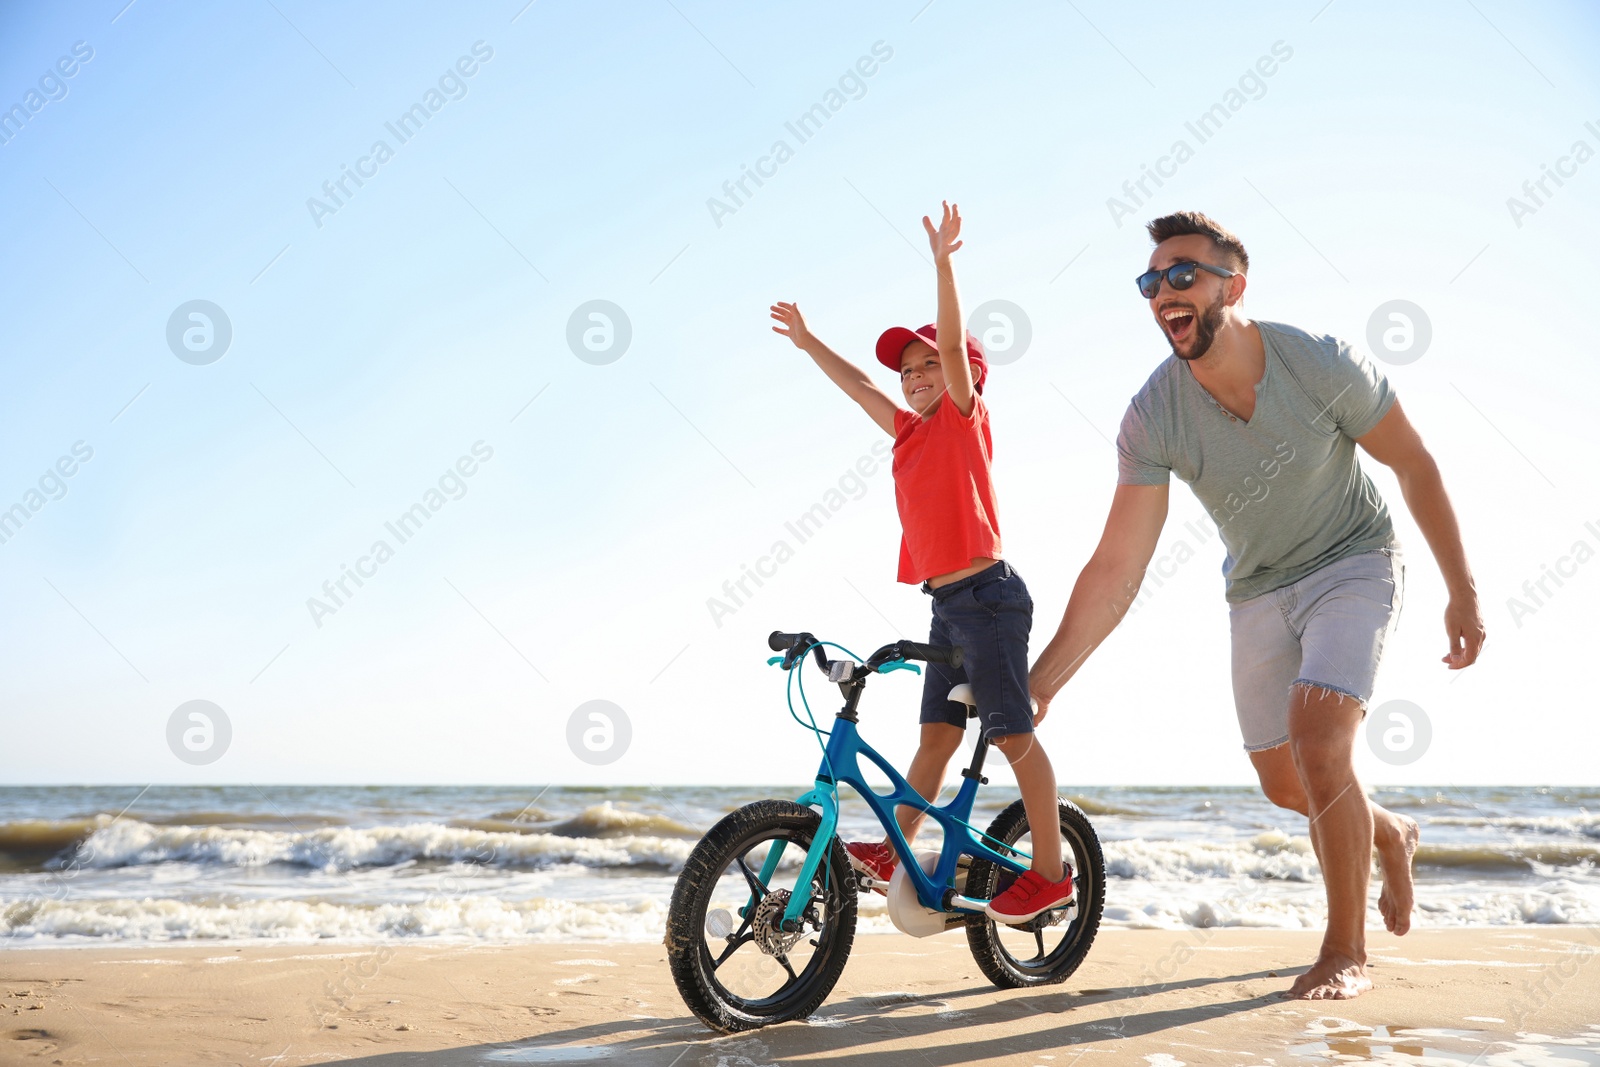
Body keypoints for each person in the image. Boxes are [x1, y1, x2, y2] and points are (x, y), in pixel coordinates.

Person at [1029, 210, 1485, 998]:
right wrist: (1043, 681)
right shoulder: (1153, 415)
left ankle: (1345, 951)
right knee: (1286, 782)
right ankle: (1390, 831)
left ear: (1232, 285)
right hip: (1258, 587)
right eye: (1151, 280)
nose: (1163, 291)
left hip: (1354, 560)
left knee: (1320, 733)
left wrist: (1462, 590)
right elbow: (1116, 566)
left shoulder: (1320, 363)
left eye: (1183, 274)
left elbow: (1415, 464)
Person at [770, 202, 1073, 924]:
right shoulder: (907, 431)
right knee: (936, 736)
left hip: (991, 597)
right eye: (907, 370)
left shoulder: (964, 419)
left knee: (1011, 734)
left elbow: (954, 366)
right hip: (946, 603)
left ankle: (1052, 869)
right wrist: (812, 343)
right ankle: (895, 844)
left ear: (962, 372)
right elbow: (860, 388)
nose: (912, 378)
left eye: (927, 365)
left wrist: (943, 265)